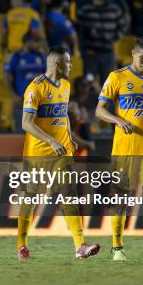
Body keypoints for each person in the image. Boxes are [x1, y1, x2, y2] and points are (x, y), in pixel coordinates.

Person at [95, 36, 143, 263]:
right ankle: (117, 247)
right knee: (121, 198)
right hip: (125, 148)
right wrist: (118, 121)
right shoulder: (117, 77)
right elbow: (99, 110)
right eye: (142, 58)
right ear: (132, 53)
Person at [18, 46, 101, 260]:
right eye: (68, 62)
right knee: (31, 198)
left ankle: (80, 245)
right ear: (57, 64)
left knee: (69, 195)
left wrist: (68, 137)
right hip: (38, 152)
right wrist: (50, 140)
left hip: (62, 152)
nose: (71, 65)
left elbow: (62, 116)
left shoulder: (65, 85)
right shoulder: (35, 88)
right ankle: (22, 245)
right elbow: (26, 123)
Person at [77, 0, 128, 84]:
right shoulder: (86, 9)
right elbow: (79, 29)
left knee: (107, 83)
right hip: (91, 52)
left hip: (107, 52)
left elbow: (123, 25)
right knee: (89, 81)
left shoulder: (115, 9)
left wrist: (114, 37)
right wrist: (87, 36)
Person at [5, 32, 47, 132]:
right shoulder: (16, 56)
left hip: (40, 99)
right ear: (27, 42)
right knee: (22, 131)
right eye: (35, 42)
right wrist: (13, 95)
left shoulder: (41, 56)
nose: (37, 45)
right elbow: (7, 77)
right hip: (22, 99)